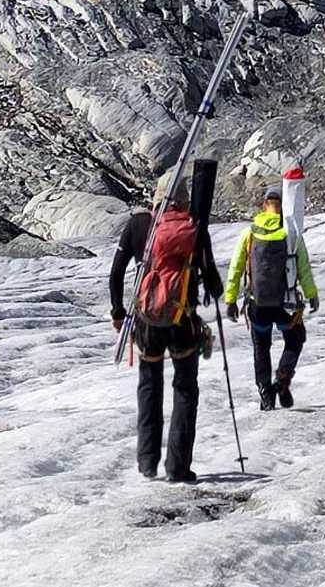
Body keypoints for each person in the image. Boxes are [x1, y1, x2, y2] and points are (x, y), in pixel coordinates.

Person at [109, 178, 224, 483]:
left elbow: (116, 272)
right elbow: (214, 282)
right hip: (183, 321)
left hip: (147, 321)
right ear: (185, 200)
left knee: (149, 386)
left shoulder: (138, 225)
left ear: (156, 198)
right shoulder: (194, 227)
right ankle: (178, 467)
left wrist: (118, 313)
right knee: (185, 389)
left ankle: (147, 463)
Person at [224, 183, 319, 411]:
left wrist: (230, 300)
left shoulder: (250, 233)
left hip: (257, 304)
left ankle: (266, 392)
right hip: (285, 305)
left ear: (264, 205)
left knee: (261, 346)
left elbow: (236, 267)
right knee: (295, 338)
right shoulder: (290, 233)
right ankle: (283, 376)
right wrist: (311, 294)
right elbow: (303, 267)